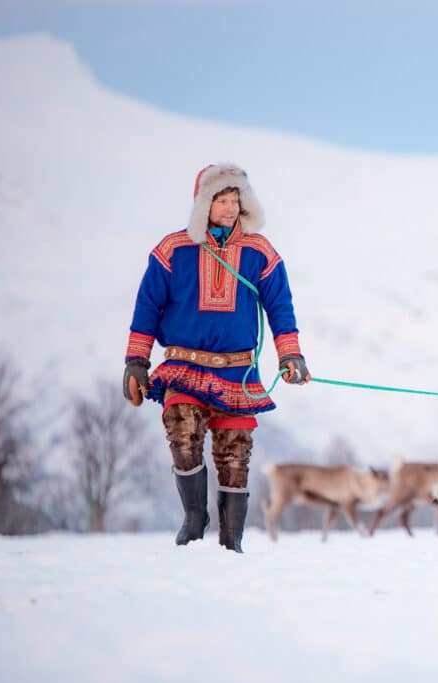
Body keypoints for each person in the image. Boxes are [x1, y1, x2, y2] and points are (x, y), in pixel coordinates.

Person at [122, 163, 310, 553]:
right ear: (203, 204)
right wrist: (136, 361)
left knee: (234, 452)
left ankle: (231, 541)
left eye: (234, 199)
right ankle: (194, 517)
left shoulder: (261, 251)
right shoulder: (173, 249)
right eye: (220, 200)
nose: (228, 208)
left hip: (237, 368)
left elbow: (280, 305)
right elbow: (147, 305)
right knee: (182, 432)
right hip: (183, 364)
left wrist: (291, 356)